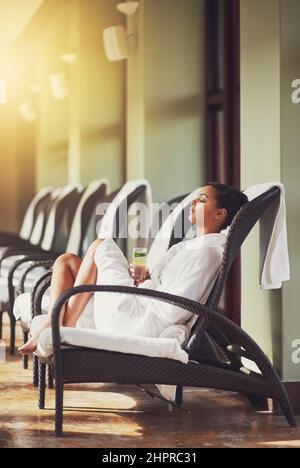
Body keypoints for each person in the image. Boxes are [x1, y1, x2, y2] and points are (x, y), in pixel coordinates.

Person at [18, 182, 248, 355]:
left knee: (102, 245)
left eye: (202, 199)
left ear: (220, 214)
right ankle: (55, 321)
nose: (194, 203)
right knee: (66, 261)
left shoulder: (206, 253)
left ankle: (63, 327)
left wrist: (145, 285)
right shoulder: (191, 247)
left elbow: (174, 310)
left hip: (138, 322)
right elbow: (168, 287)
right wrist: (147, 278)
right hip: (138, 305)